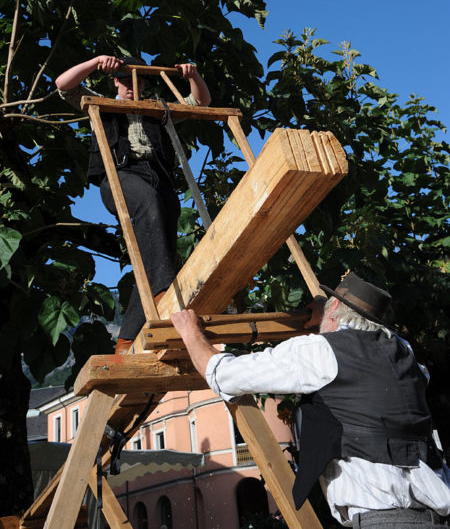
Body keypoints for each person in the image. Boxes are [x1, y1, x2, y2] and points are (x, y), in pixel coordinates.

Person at [170, 272, 450, 528]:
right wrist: (328, 316)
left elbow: (224, 374)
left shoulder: (320, 352)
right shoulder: (405, 354)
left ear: (336, 309)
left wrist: (191, 333)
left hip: (383, 521)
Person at [56, 54, 211, 353]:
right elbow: (64, 85)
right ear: (116, 80)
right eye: (126, 80)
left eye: (138, 81)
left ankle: (126, 339)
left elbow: (199, 102)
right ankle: (164, 291)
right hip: (122, 177)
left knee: (157, 256)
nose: (132, 87)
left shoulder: (158, 107)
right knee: (152, 217)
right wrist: (95, 62)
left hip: (158, 180)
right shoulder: (100, 103)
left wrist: (193, 75)